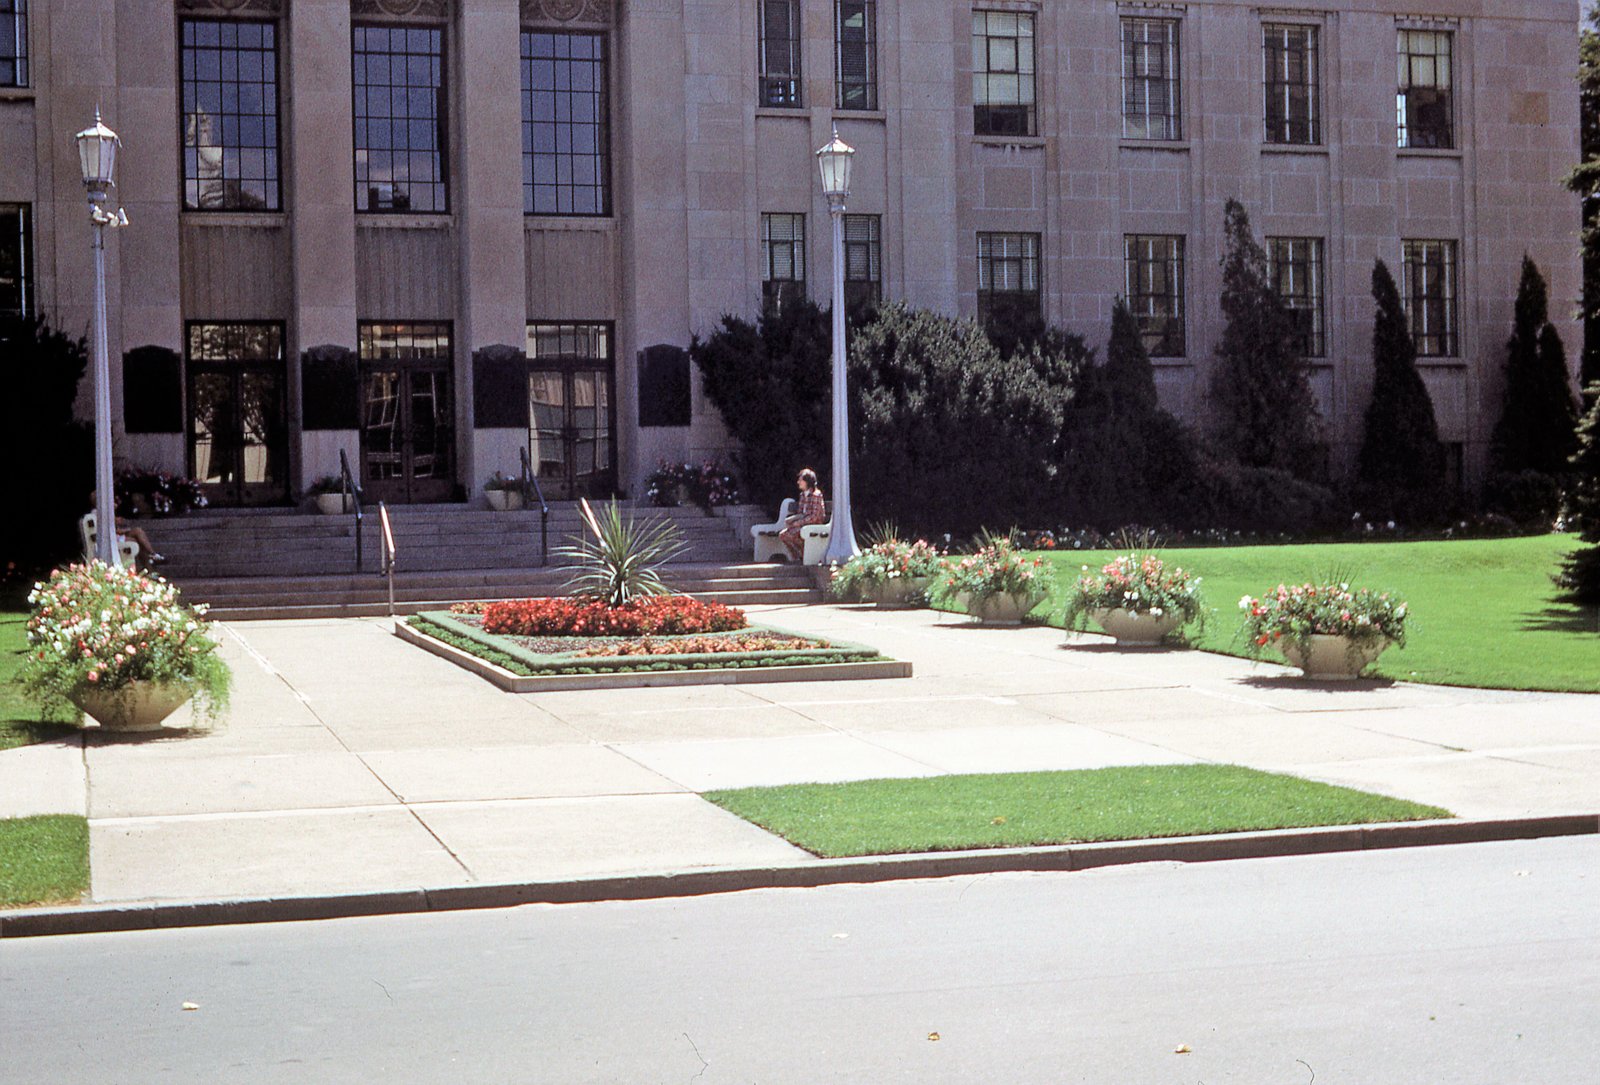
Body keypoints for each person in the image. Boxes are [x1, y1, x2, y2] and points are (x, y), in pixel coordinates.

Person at [87, 491, 165, 566]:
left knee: (138, 531)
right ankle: (150, 564)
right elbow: (107, 529)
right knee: (137, 542)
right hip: (109, 539)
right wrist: (119, 525)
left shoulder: (104, 510)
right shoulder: (98, 513)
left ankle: (153, 554)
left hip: (115, 534)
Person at [779, 468, 827, 562]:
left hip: (814, 525)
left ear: (807, 482)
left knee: (792, 534)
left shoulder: (816, 495)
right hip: (804, 525)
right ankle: (797, 557)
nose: (798, 482)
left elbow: (815, 516)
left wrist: (799, 523)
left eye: (801, 480)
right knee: (783, 535)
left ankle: (805, 554)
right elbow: (801, 513)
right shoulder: (802, 495)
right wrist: (792, 519)